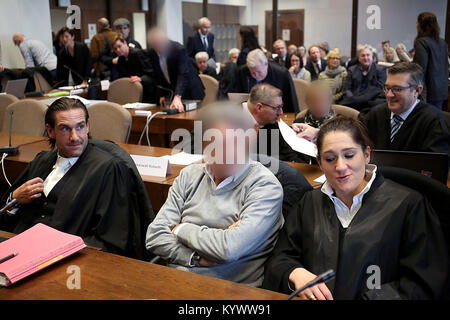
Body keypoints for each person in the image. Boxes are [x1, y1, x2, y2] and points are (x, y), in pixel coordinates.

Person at [264, 115, 448, 299]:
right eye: (330, 159)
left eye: (349, 155)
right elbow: (280, 258)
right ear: (319, 162)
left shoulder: (408, 205)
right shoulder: (309, 203)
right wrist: (294, 273)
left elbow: (424, 281)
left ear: (367, 155)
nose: (341, 166)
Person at [146, 102, 284, 287]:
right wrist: (194, 257)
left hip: (228, 291)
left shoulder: (265, 186)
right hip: (173, 282)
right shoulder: (189, 175)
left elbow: (228, 249)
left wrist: (180, 228)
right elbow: (154, 236)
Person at [0, 97, 154, 260]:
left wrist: (55, 252)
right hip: (17, 247)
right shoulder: (41, 161)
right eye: (65, 129)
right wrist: (14, 199)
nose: (75, 137)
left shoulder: (108, 169)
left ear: (87, 126)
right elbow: (4, 218)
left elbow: (111, 242)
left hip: (62, 259)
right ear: (50, 131)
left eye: (80, 127)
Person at [293, 63, 449, 155]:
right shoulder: (378, 113)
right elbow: (351, 133)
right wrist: (318, 132)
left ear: (417, 90)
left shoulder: (434, 122)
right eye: (386, 88)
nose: (389, 95)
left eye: (397, 89)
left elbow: (432, 171)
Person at [146, 27, 205, 112]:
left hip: (191, 91)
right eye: (154, 44)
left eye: (160, 43)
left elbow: (183, 74)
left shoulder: (178, 49)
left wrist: (177, 96)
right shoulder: (152, 53)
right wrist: (162, 95)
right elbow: (158, 75)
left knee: (195, 122)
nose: (157, 47)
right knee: (177, 121)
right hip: (175, 91)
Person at [243, 83, 303, 162]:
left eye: (281, 107)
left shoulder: (272, 124)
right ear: (259, 107)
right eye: (277, 108)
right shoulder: (228, 122)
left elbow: (287, 155)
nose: (281, 112)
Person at [232, 48, 299, 114]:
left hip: (277, 115)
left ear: (266, 64)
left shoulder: (282, 73)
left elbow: (292, 102)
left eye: (259, 72)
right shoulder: (242, 72)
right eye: (252, 72)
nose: (256, 76)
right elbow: (239, 97)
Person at [414, 12, 449, 110]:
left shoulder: (422, 42)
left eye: (417, 23)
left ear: (421, 25)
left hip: (428, 91)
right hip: (442, 90)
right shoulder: (442, 42)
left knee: (426, 121)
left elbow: (420, 68)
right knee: (436, 119)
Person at [340, 45, 386, 111]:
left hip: (371, 102)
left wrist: (358, 100)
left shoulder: (380, 70)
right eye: (363, 55)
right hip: (354, 101)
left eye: (368, 55)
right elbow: (347, 89)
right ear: (359, 58)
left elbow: (378, 90)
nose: (365, 57)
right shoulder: (352, 70)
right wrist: (353, 99)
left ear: (372, 58)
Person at [112, 35, 156, 102]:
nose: (118, 50)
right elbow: (122, 77)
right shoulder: (120, 60)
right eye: (115, 49)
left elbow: (151, 74)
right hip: (132, 93)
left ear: (125, 43)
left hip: (147, 92)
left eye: (119, 46)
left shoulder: (138, 53)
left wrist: (140, 78)